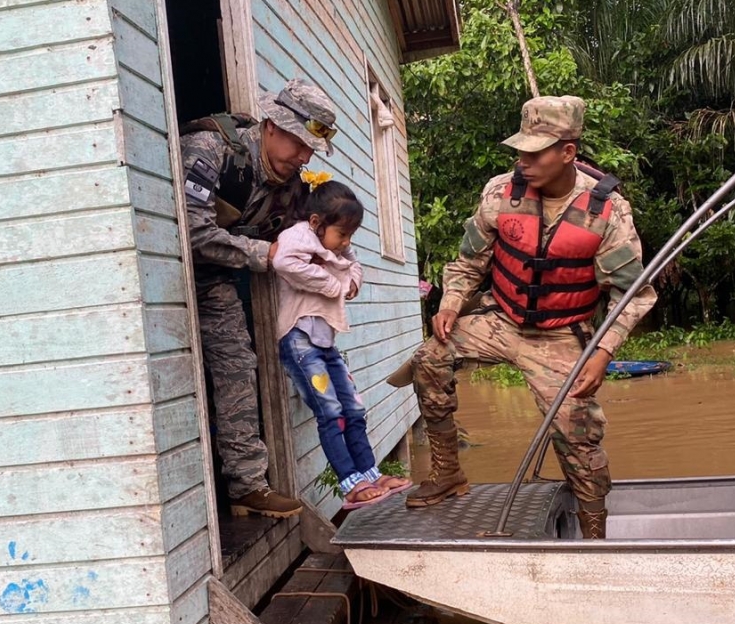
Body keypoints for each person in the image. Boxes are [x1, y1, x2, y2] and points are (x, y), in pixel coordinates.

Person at [404, 95, 658, 539]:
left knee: (577, 433)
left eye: (535, 153)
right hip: (501, 319)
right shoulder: (500, 193)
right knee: (429, 358)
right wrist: (451, 302)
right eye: (520, 150)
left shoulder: (607, 212)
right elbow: (469, 262)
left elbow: (633, 294)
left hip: (561, 334)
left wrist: (602, 352)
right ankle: (447, 473)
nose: (523, 161)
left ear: (568, 152)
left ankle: (594, 533)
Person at [179, 78, 339, 518]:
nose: (304, 157)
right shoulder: (210, 149)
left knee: (237, 364)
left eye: (311, 149)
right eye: (299, 143)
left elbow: (310, 236)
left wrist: (334, 262)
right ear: (271, 125)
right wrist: (265, 254)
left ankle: (247, 486)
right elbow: (190, 232)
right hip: (166, 273)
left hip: (214, 279)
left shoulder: (291, 186)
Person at [272, 180, 414, 507]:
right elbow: (283, 262)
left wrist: (350, 282)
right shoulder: (299, 236)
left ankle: (370, 473)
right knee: (330, 412)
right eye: (342, 234)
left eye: (351, 235)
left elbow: (354, 265)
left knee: (353, 407)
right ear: (316, 222)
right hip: (299, 340)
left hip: (325, 344)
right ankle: (350, 482)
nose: (346, 242)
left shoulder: (337, 246)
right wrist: (333, 284)